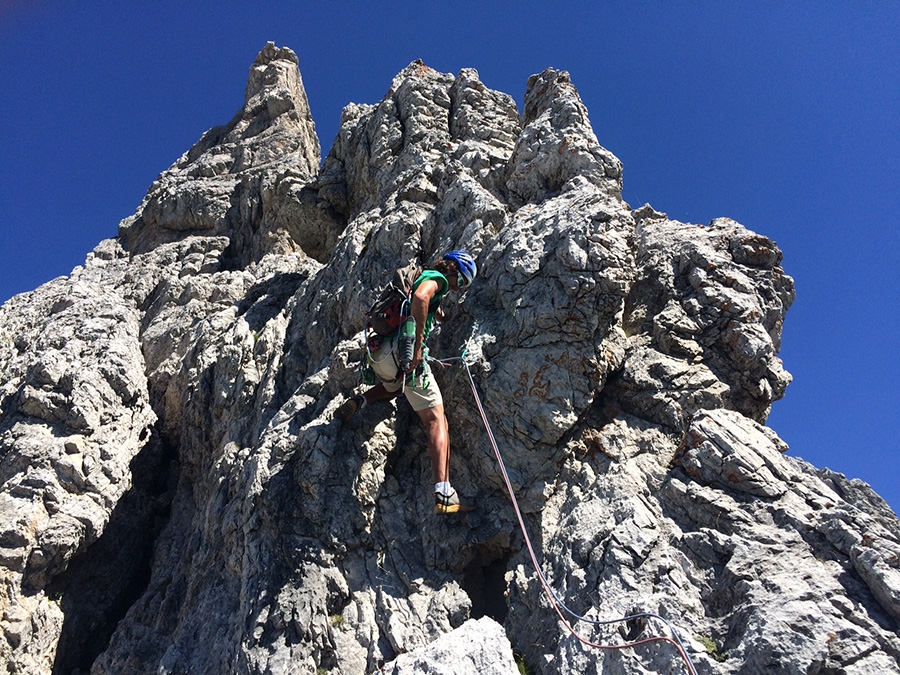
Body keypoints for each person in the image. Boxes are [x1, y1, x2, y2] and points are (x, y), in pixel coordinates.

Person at [336, 250, 477, 514]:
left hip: (379, 354)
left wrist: (444, 316)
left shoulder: (422, 275)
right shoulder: (440, 280)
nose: (459, 288)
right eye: (462, 282)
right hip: (403, 354)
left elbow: (424, 302)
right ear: (455, 271)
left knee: (393, 387)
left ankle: (361, 400)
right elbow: (422, 298)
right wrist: (418, 347)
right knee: (437, 419)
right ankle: (444, 492)